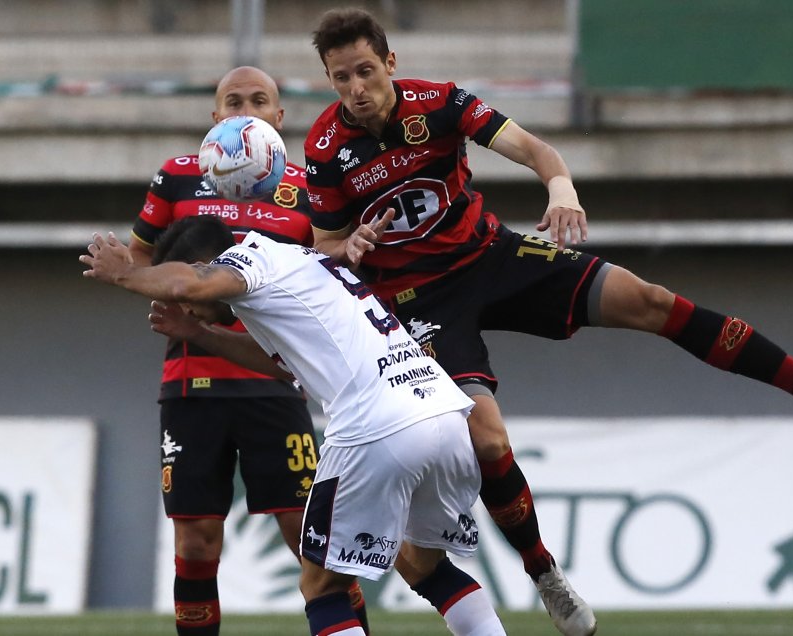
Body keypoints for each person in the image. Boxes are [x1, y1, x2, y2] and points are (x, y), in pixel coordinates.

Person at [302, 8, 793, 635]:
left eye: (365, 71)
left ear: (390, 63)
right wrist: (349, 245)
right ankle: (544, 573)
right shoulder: (326, 148)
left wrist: (560, 188)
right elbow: (325, 246)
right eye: (341, 78)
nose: (356, 88)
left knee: (649, 299)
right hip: (420, 302)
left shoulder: (440, 102)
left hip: (493, 256)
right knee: (489, 440)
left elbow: (536, 150)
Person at [81, 216, 509, 636]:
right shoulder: (298, 267)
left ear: (203, 264)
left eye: (185, 298)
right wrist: (199, 332)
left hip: (378, 425)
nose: (185, 306)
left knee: (322, 589)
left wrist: (125, 274)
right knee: (425, 566)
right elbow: (284, 366)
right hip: (441, 412)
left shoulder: (250, 259)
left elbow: (187, 284)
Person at [127, 66, 368, 635]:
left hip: (273, 382)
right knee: (196, 538)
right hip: (191, 383)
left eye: (259, 101)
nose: (245, 110)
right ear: (215, 118)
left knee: (308, 536)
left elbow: (329, 274)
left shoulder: (309, 188)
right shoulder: (177, 177)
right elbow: (140, 260)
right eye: (233, 102)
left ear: (278, 119)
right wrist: (168, 296)